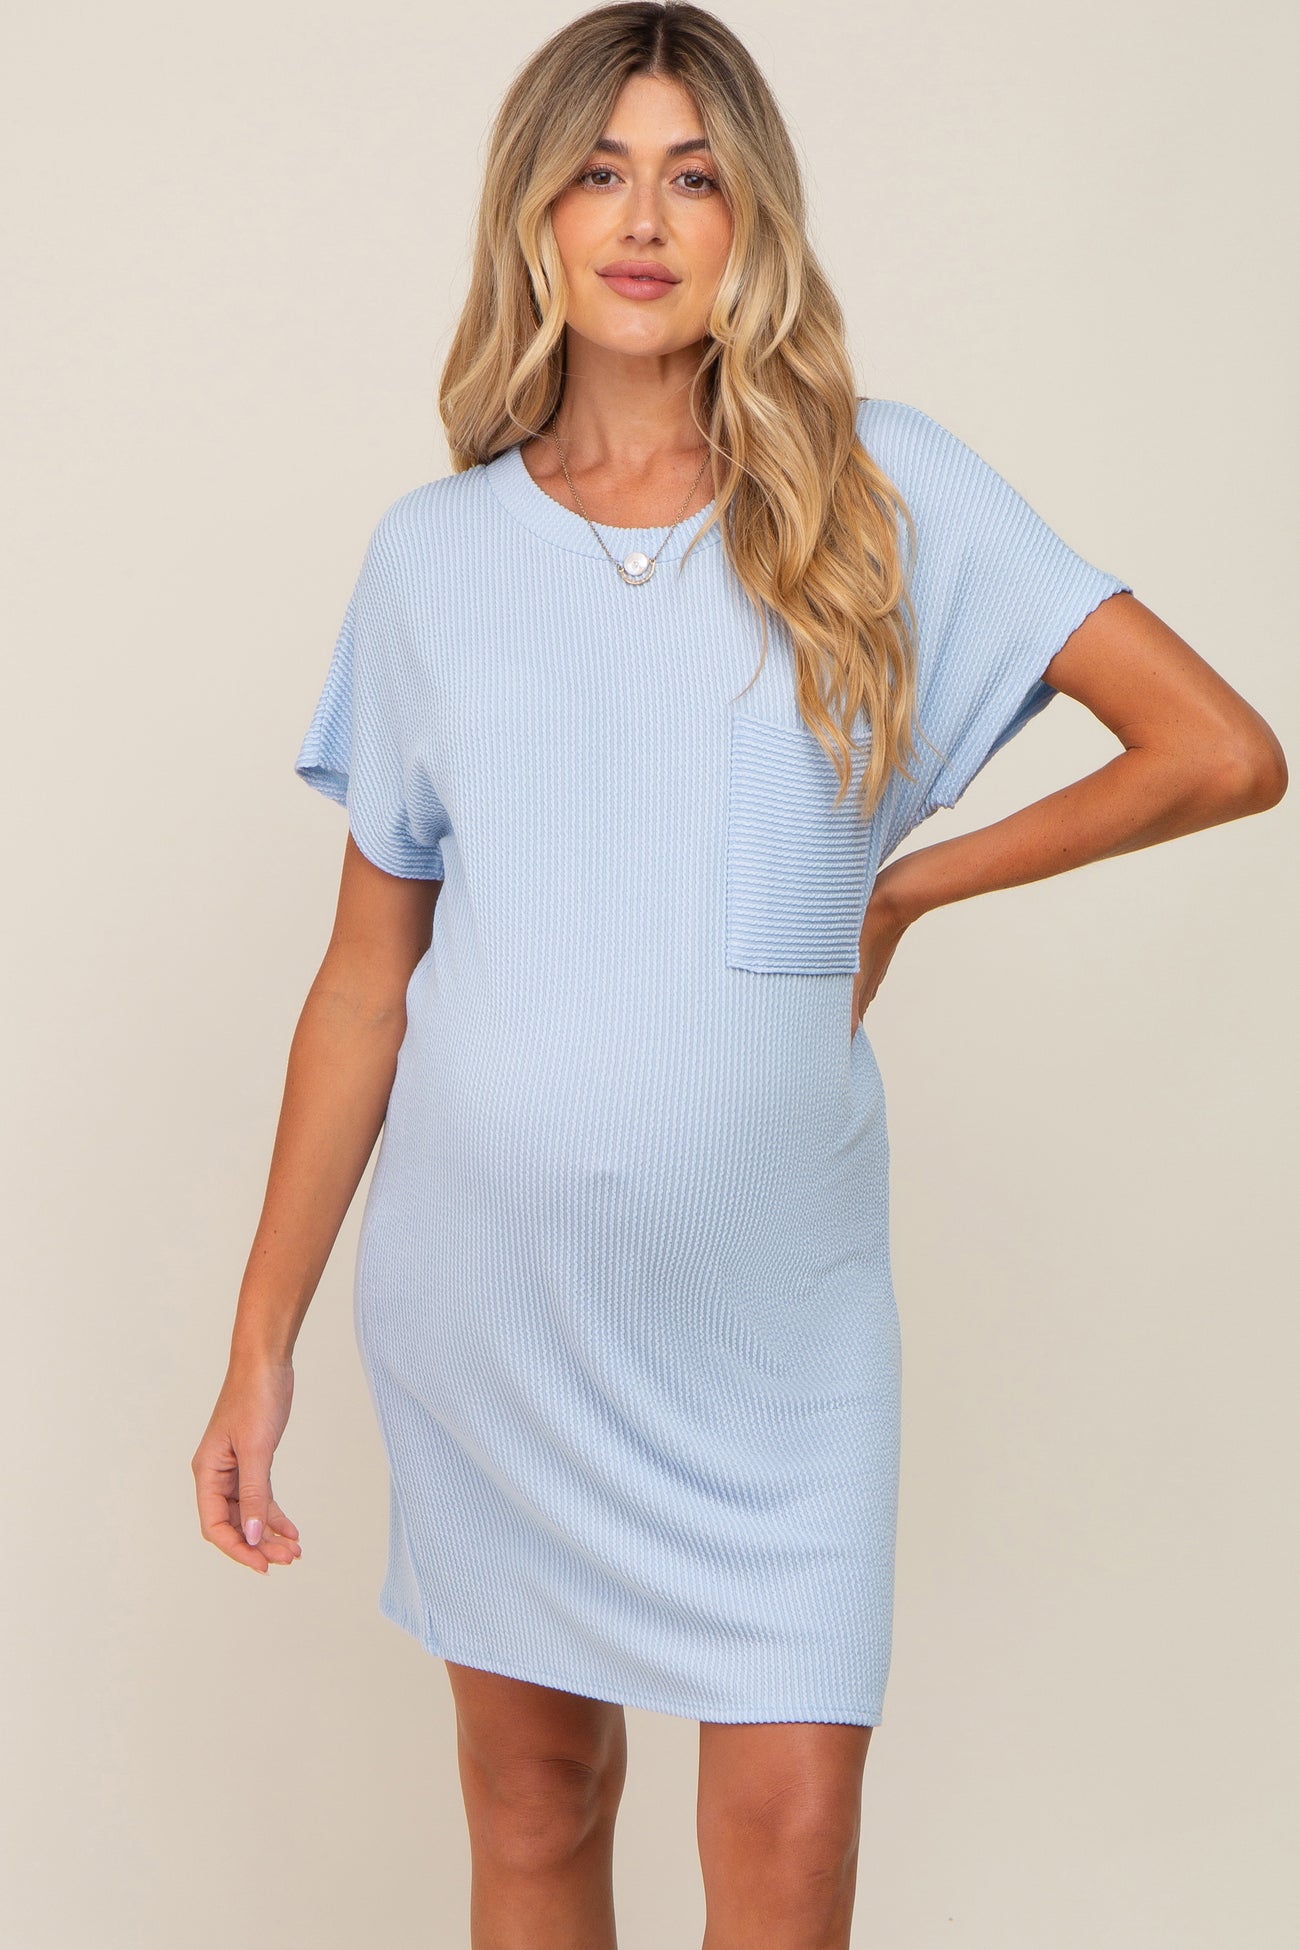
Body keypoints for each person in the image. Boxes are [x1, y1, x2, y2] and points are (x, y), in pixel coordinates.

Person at [191, 5, 1286, 1946]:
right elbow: (363, 985)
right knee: (535, 1805)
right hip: (492, 1307)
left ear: (748, 218)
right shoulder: (433, 560)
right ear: (531, 216)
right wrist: (258, 1338)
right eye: (597, 172)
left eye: (692, 176)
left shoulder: (881, 491)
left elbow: (1219, 750)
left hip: (778, 1331)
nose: (642, 219)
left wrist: (908, 888)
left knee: (785, 1839)